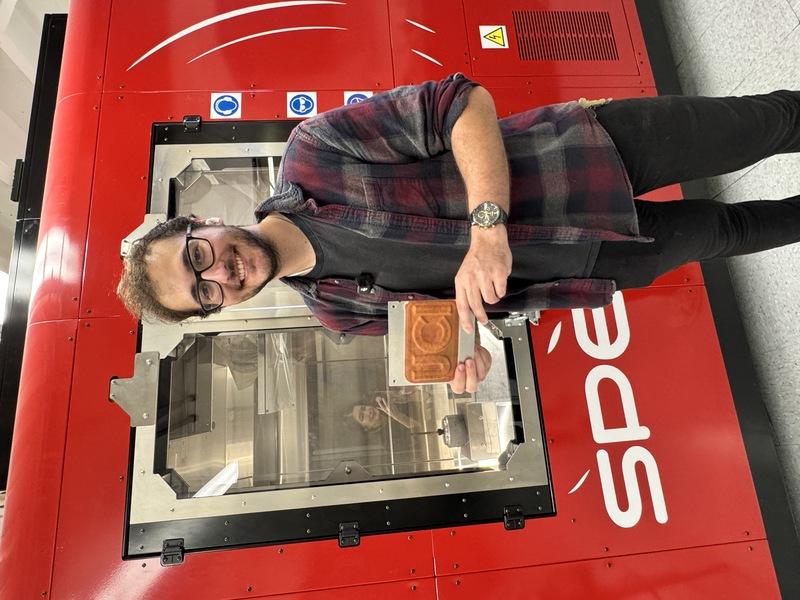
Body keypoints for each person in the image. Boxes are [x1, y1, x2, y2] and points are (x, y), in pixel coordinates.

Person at [117, 73, 800, 394]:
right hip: (586, 262)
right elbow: (458, 315)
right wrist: (470, 356)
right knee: (731, 229)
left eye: (197, 255)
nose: (220, 274)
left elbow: (460, 103)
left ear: (201, 221)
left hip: (592, 150)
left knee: (766, 124)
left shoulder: (313, 151)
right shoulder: (336, 313)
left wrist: (488, 228)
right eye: (202, 292)